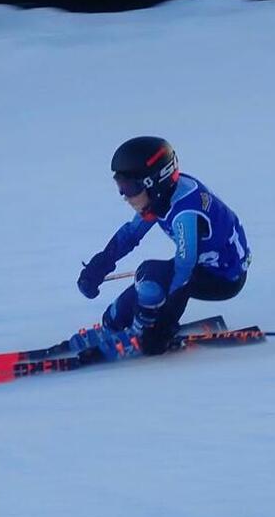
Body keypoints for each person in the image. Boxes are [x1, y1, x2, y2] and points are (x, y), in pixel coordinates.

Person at [73, 136, 251, 358]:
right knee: (118, 312)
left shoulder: (185, 211)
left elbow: (184, 269)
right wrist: (98, 267)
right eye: (120, 186)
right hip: (203, 267)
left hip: (224, 278)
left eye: (129, 187)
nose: (124, 196)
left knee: (148, 275)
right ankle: (114, 327)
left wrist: (163, 326)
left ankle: (141, 333)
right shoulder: (163, 196)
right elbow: (130, 234)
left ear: (152, 182)